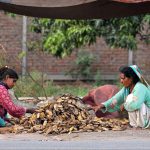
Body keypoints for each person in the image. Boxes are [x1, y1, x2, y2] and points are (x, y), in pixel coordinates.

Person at [92, 65, 150, 129]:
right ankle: (135, 125)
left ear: (131, 78)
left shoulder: (140, 87)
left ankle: (142, 125)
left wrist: (124, 105)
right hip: (145, 115)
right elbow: (116, 98)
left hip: (148, 115)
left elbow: (136, 105)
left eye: (123, 78)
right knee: (129, 101)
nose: (121, 81)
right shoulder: (127, 89)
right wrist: (102, 106)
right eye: (120, 78)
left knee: (130, 99)